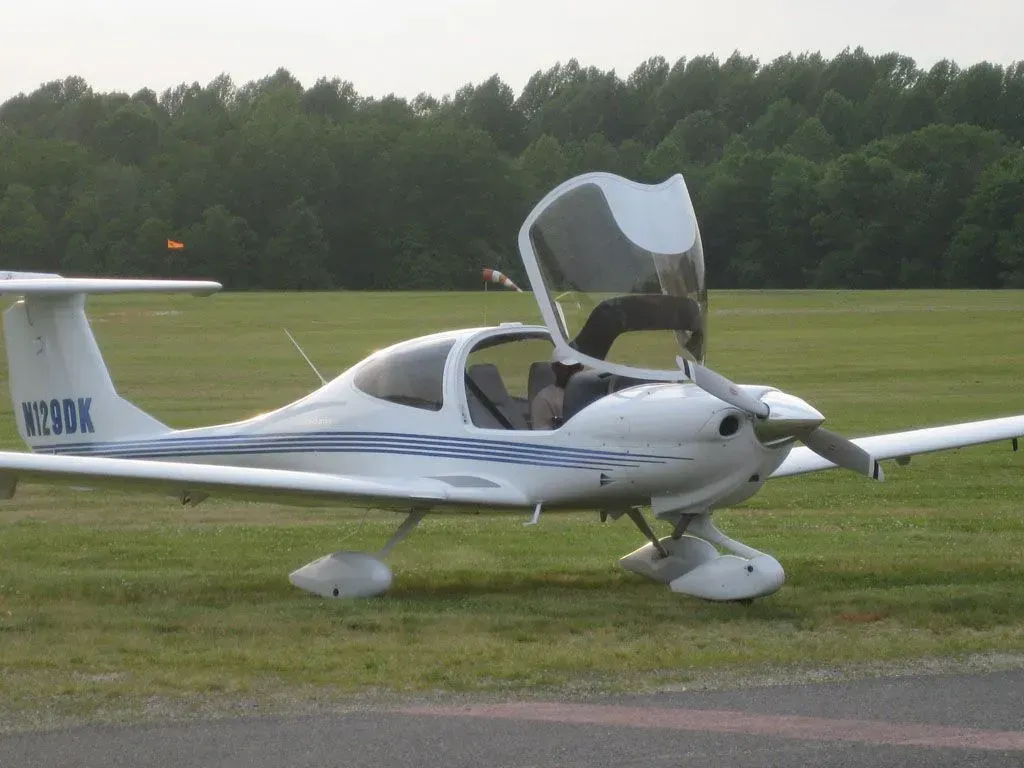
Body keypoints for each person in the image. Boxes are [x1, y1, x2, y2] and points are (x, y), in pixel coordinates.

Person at [530, 354, 584, 430]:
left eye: (576, 367)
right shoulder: (544, 399)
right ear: (555, 368)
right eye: (568, 368)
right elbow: (543, 435)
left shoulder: (588, 392)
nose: (573, 371)